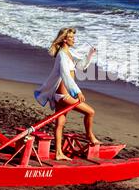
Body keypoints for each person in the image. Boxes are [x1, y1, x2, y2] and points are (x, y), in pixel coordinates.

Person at [34, 27, 99, 160]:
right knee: (90, 112)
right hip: (65, 96)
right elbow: (65, 76)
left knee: (60, 123)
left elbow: (81, 66)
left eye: (74, 37)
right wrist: (77, 92)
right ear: (64, 39)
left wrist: (90, 54)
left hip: (60, 96)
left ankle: (58, 153)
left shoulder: (67, 53)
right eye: (71, 37)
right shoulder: (62, 55)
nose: (74, 39)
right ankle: (89, 136)